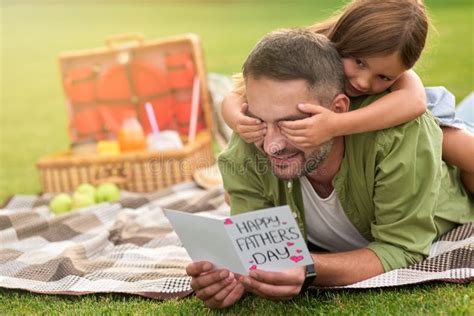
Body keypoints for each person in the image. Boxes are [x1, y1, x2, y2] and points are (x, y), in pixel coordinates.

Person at [186, 29, 473, 309]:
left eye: (291, 124)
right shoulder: (249, 136)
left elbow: (402, 248)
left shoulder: (400, 136)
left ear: (337, 110)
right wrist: (233, 276)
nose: (272, 145)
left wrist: (309, 268)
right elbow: (258, 253)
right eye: (261, 120)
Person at [221, 0, 474, 193]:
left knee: (467, 155)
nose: (364, 82)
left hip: (412, 119)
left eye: (384, 77)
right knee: (231, 196)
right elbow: (235, 94)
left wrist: (335, 125)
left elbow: (415, 103)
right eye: (359, 62)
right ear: (343, 37)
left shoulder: (400, 79)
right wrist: (238, 121)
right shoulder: (314, 50)